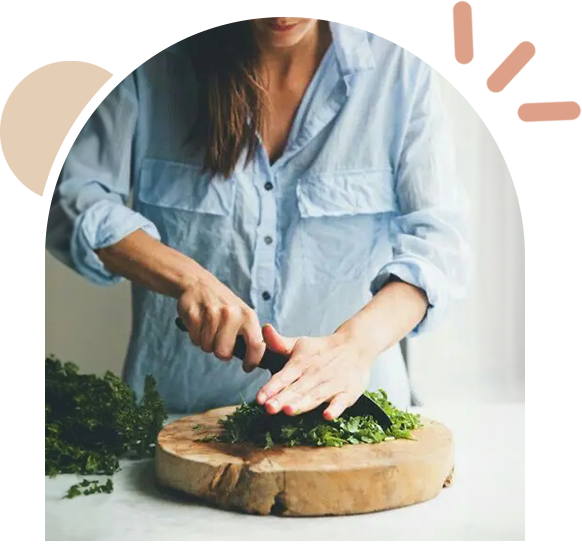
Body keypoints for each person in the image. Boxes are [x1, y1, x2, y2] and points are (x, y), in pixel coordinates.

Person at [46, 18, 470, 417]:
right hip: (177, 419)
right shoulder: (150, 65)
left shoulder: (400, 66)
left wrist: (353, 346)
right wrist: (189, 279)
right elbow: (72, 199)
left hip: (351, 422)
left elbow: (440, 244)